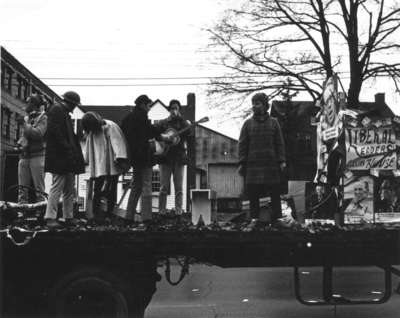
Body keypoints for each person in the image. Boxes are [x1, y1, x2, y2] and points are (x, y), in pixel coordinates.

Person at [238, 92, 286, 223]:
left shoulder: (274, 123)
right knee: (253, 193)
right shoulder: (247, 124)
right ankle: (254, 218)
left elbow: (279, 143)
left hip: (271, 164)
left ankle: (278, 218)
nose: (254, 106)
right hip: (253, 165)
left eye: (257, 103)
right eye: (253, 104)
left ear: (265, 106)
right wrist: (242, 162)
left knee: (275, 192)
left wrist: (281, 161)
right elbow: (242, 144)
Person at [121, 95, 169, 221]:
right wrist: (162, 136)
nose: (149, 108)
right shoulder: (141, 117)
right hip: (144, 155)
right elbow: (150, 131)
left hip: (134, 156)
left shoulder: (128, 118)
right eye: (148, 105)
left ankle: (128, 216)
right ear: (142, 104)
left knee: (136, 186)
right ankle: (147, 217)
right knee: (147, 185)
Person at [44, 91, 85, 228]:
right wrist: (67, 147)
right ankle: (50, 218)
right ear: (70, 103)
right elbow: (55, 132)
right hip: (59, 157)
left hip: (67, 157)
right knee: (57, 186)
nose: (74, 108)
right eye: (74, 105)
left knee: (69, 188)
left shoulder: (62, 112)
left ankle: (68, 216)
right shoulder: (57, 110)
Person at [82, 112, 130, 223]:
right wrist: (86, 159)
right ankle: (96, 215)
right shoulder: (92, 131)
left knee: (111, 190)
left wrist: (120, 157)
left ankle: (109, 214)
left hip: (111, 165)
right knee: (97, 190)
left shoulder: (110, 126)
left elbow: (117, 142)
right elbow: (88, 145)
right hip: (98, 166)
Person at [156, 99, 191, 214]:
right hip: (165, 157)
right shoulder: (164, 123)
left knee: (179, 188)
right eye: (172, 108)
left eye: (176, 108)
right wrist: (165, 137)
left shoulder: (183, 123)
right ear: (169, 110)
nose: (174, 110)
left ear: (179, 110)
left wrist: (182, 120)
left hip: (179, 158)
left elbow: (189, 132)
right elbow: (156, 133)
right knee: (163, 187)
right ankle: (161, 211)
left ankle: (178, 211)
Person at [17, 94, 47, 203]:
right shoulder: (27, 118)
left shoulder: (43, 118)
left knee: (39, 189)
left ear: (35, 105)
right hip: (24, 155)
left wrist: (24, 125)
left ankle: (41, 212)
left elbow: (38, 134)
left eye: (28, 102)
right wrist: (20, 143)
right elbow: (24, 136)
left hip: (37, 156)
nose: (26, 105)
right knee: (22, 188)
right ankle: (21, 211)